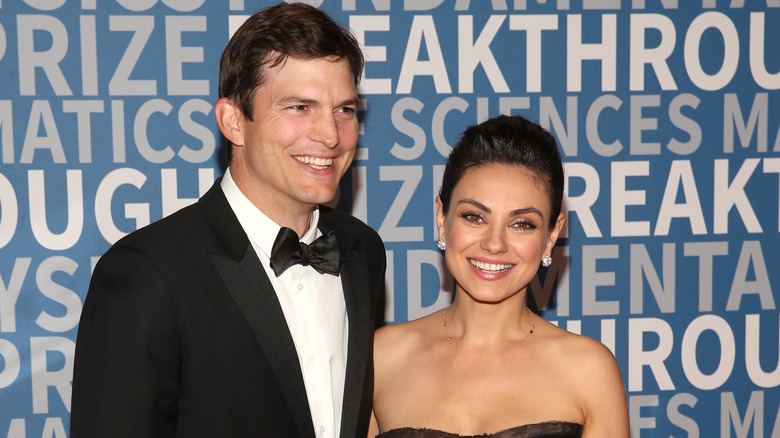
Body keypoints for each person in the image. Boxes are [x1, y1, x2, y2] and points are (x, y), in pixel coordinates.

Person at [71, 3, 386, 437]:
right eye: (299, 107)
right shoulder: (148, 272)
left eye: (345, 110)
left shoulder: (362, 251)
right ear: (234, 122)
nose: (331, 135)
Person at [368, 115, 629, 438]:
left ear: (551, 235)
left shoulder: (589, 371)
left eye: (522, 224)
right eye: (474, 217)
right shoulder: (381, 359)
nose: (494, 244)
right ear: (441, 216)